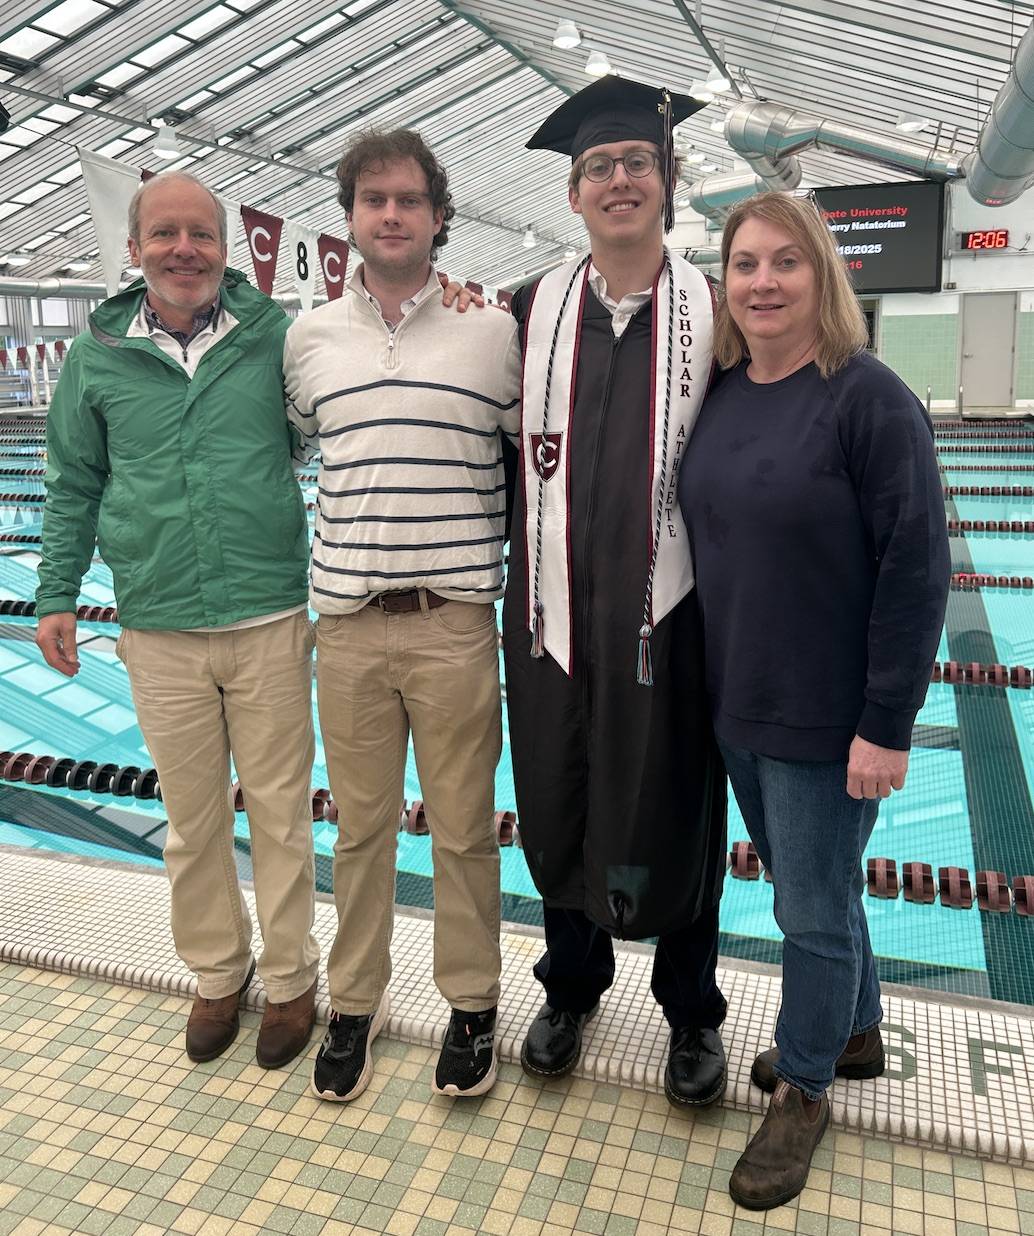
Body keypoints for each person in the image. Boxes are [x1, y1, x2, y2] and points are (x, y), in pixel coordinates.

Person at [679, 191, 950, 1210]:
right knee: (820, 890)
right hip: (736, 701)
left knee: (804, 910)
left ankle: (802, 1088)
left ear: (821, 275)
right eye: (744, 264)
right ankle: (856, 1034)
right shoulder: (725, 391)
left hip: (825, 714)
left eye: (784, 263)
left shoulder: (866, 397)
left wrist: (884, 724)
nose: (761, 282)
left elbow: (913, 569)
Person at [35, 171, 321, 1070]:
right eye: (165, 235)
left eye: (200, 233)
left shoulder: (276, 337)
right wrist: (53, 594)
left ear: (225, 247)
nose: (183, 250)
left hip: (269, 612)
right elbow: (73, 483)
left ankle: (292, 977)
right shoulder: (96, 358)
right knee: (193, 819)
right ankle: (215, 974)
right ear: (133, 250)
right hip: (158, 621)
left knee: (278, 815)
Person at [503, 76, 729, 1107]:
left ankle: (689, 1014)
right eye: (599, 167)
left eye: (636, 161)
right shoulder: (522, 314)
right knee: (559, 795)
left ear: (666, 180)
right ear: (573, 195)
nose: (619, 179)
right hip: (553, 616)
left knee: (675, 805)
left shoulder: (719, 313)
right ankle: (569, 988)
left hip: (669, 619)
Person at [284, 128, 521, 1103]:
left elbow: (534, 465)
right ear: (347, 214)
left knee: (464, 827)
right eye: (372, 198)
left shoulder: (492, 330)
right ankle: (354, 1004)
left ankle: (471, 1004)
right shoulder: (306, 341)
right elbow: (288, 456)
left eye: (408, 200)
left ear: (436, 215)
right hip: (343, 627)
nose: (389, 214)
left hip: (453, 622)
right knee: (359, 831)